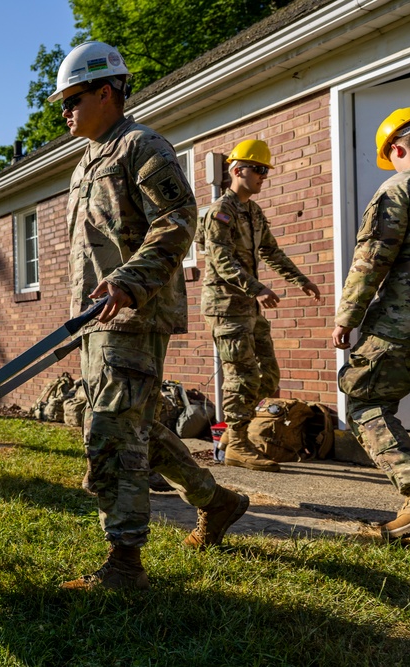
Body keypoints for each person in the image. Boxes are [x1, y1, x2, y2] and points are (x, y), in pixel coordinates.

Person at [50, 41, 249, 591]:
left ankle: (124, 565)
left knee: (113, 434)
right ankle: (219, 500)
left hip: (133, 316)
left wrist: (132, 283)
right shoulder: (88, 160)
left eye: (73, 99)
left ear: (107, 92)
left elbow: (178, 219)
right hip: (99, 320)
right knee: (140, 427)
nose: (64, 111)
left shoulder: (141, 146)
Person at [201, 140, 322, 472]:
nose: (263, 177)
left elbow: (272, 251)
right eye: (259, 170)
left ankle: (232, 437)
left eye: (266, 172)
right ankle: (239, 442)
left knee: (267, 376)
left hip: (249, 306)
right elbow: (220, 258)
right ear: (238, 170)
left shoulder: (253, 212)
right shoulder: (219, 212)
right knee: (239, 376)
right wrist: (256, 288)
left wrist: (301, 280)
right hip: (226, 306)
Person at [333, 107, 410, 541]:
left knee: (362, 398)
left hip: (402, 325)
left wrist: (348, 317)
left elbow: (373, 258)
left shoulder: (399, 188)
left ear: (396, 149)